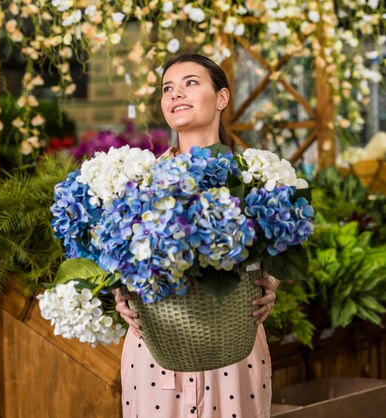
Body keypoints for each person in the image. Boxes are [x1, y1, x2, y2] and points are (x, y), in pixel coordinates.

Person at [114, 53, 280, 418]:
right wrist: (119, 293)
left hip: (236, 352)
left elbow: (278, 250)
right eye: (167, 88)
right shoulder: (139, 181)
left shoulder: (254, 178)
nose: (176, 94)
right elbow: (117, 257)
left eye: (191, 83)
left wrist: (272, 284)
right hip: (156, 353)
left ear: (222, 97)